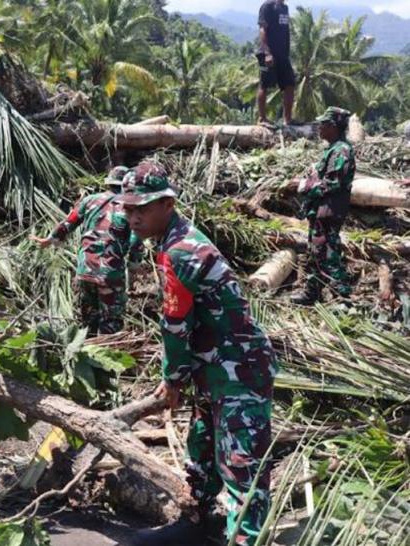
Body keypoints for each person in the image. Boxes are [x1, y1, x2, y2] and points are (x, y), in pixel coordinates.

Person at [117, 162, 277, 546]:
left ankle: (246, 539)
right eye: (128, 208)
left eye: (143, 208)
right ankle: (198, 521)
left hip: (239, 371)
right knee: (202, 447)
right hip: (213, 367)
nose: (134, 216)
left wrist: (172, 380)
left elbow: (176, 326)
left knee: (242, 466)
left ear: (167, 204)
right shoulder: (172, 240)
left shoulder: (181, 252)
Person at [30, 166, 142, 336]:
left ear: (108, 183)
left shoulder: (89, 201)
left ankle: (86, 349)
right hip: (110, 273)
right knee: (111, 323)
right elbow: (136, 240)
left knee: (88, 322)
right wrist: (133, 266)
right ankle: (105, 351)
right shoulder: (130, 206)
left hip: (85, 270)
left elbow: (68, 223)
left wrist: (50, 239)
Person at [291, 107, 355, 305]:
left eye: (323, 124)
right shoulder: (333, 149)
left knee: (328, 253)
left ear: (333, 126)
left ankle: (341, 297)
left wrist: (305, 186)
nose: (319, 127)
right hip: (321, 210)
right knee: (315, 252)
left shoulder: (341, 150)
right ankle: (312, 292)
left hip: (330, 210)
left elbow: (333, 183)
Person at [257, 0, 295, 126]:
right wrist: (267, 53)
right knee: (264, 84)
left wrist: (286, 53)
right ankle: (262, 118)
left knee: (290, 84)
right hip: (269, 53)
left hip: (283, 55)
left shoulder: (285, 8)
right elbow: (262, 29)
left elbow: (285, 32)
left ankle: (287, 120)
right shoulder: (267, 6)